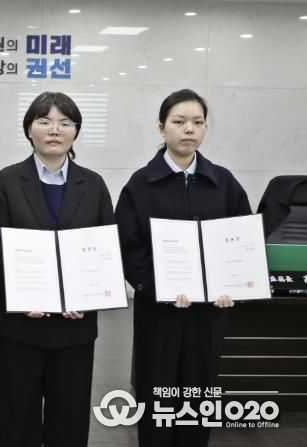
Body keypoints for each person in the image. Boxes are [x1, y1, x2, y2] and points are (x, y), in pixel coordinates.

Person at [115, 89, 251, 446]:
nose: (189, 129)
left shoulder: (224, 182)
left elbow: (241, 242)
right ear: (162, 128)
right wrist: (156, 287)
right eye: (179, 121)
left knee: (198, 391)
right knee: (157, 389)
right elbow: (128, 246)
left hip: (209, 313)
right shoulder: (140, 184)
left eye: (197, 122)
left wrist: (233, 286)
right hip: (159, 312)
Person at [0, 91, 114, 446]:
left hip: (75, 324)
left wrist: (88, 295)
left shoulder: (93, 184)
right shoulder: (8, 180)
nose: (55, 130)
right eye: (44, 121)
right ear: (29, 129)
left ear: (76, 131)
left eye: (65, 123)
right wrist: (23, 291)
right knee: (15, 418)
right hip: (20, 323)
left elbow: (106, 246)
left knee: (69, 419)